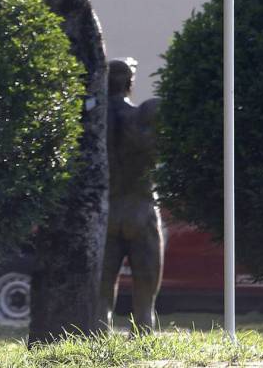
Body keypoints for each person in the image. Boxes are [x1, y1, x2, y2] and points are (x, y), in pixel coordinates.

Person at [98, 57, 163, 331]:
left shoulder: (96, 123)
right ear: (129, 83)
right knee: (145, 292)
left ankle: (99, 334)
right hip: (140, 207)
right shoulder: (140, 118)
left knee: (102, 289)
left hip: (108, 208)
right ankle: (143, 333)